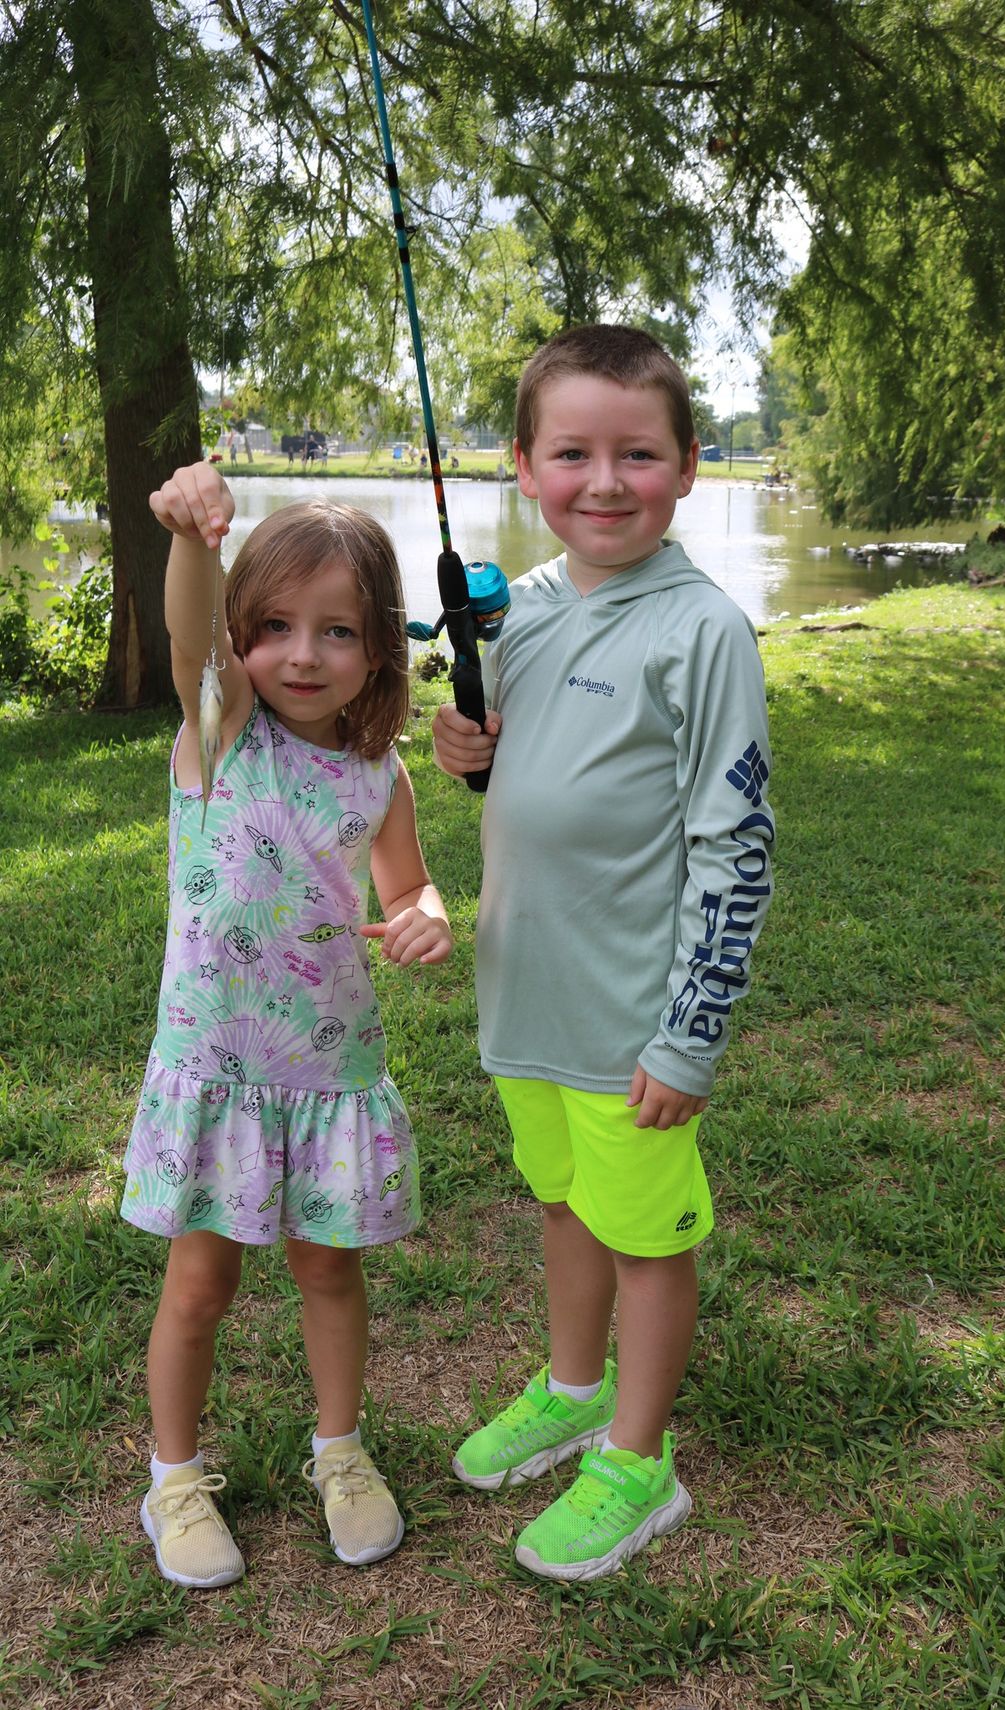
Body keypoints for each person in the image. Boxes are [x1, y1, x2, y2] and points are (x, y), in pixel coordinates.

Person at [432, 324, 774, 1581]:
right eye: (573, 452)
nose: (606, 482)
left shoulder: (705, 633)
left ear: (687, 465)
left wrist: (691, 1034)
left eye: (638, 453)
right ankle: (575, 1388)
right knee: (564, 1207)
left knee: (647, 1242)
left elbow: (736, 855)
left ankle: (638, 1461)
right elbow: (515, 766)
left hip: (633, 1025)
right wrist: (460, 746)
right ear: (526, 468)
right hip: (528, 1000)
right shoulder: (514, 615)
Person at [123, 461, 452, 1589]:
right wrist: (189, 538)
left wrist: (426, 917)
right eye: (272, 626)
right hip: (218, 1068)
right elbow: (188, 641)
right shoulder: (220, 732)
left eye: (338, 631)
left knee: (329, 1273)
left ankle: (342, 1453)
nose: (302, 655)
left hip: (328, 1071)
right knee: (198, 1284)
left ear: (377, 649)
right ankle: (173, 1477)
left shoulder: (380, 774)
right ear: (238, 635)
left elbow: (409, 888)